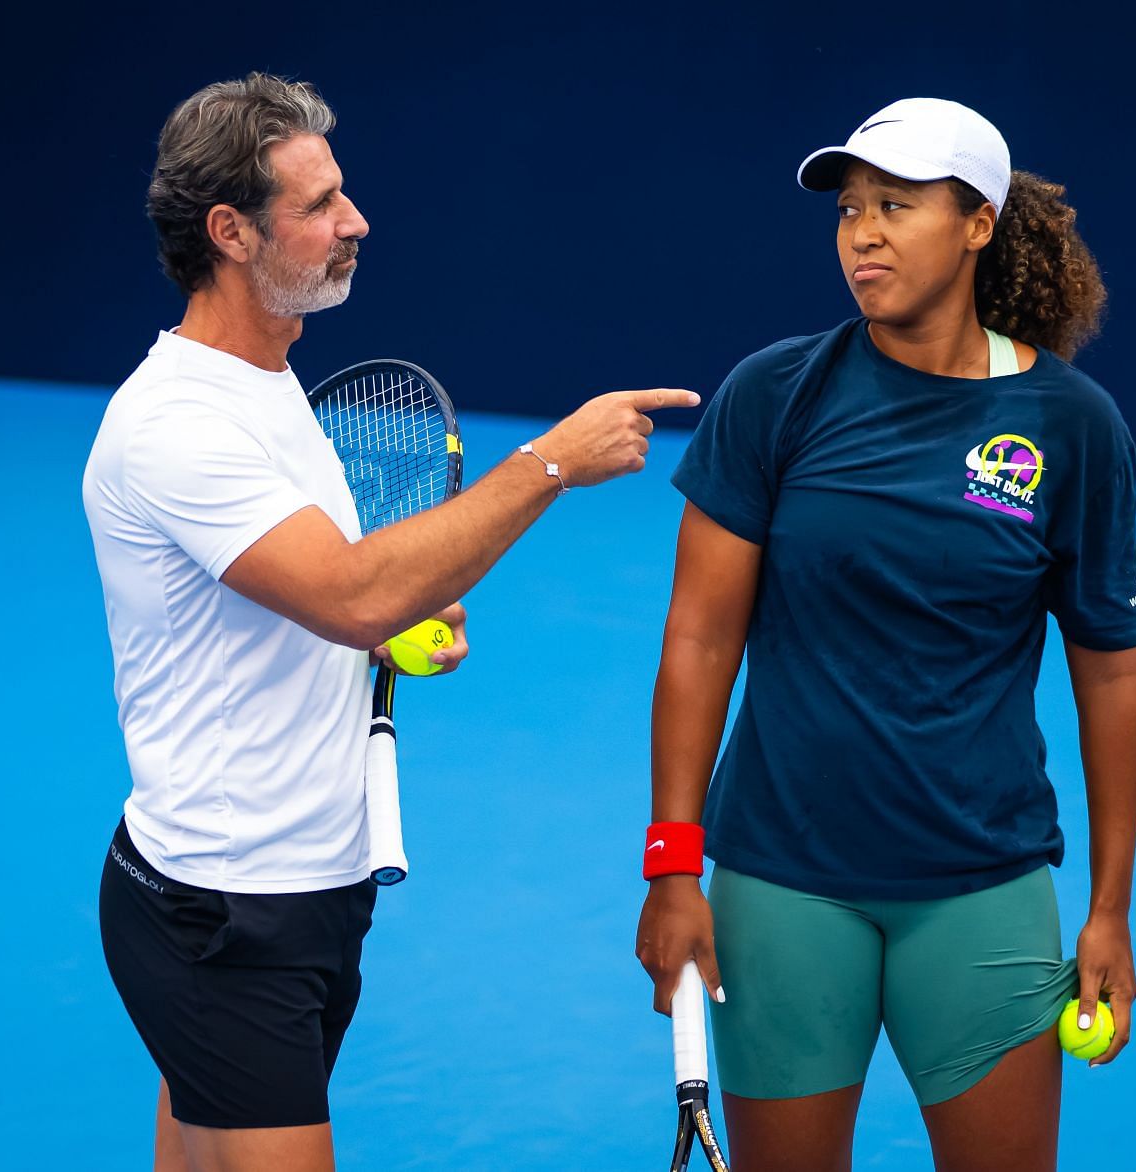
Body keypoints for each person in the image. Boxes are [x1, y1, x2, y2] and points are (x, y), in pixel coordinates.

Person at [84, 74, 696, 1172]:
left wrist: (380, 623)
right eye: (319, 204)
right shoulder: (174, 425)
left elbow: (335, 595)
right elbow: (353, 585)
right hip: (226, 911)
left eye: (344, 192)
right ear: (231, 231)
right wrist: (550, 460)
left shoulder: (268, 382)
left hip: (307, 889)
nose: (355, 220)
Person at [634, 98, 1136, 1171]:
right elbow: (697, 639)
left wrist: (1109, 909)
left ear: (977, 223)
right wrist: (674, 868)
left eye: (896, 206)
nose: (861, 232)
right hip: (783, 886)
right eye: (850, 209)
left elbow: (1111, 670)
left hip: (982, 887)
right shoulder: (775, 394)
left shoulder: (1072, 425)